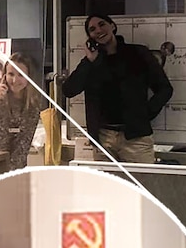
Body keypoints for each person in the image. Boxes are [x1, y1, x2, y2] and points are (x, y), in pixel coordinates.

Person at [62, 13, 173, 164]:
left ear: (112, 26)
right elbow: (69, 90)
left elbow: (165, 89)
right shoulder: (92, 62)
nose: (98, 30)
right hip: (103, 138)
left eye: (102, 24)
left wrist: (146, 113)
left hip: (136, 138)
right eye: (92, 29)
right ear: (90, 37)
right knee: (108, 186)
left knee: (140, 185)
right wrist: (89, 61)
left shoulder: (138, 54)